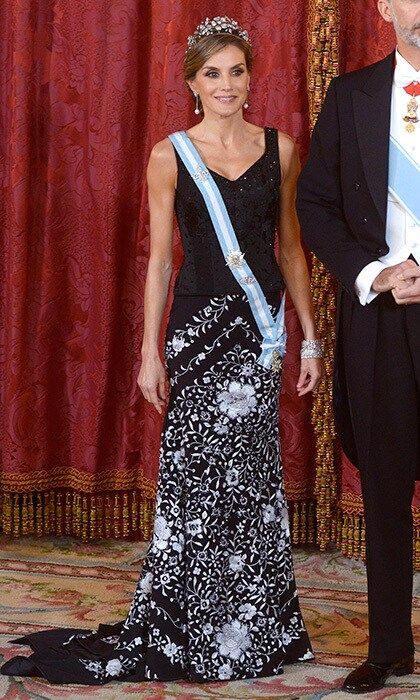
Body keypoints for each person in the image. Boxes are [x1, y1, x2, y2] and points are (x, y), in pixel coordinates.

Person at [1, 16, 323, 685]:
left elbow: (291, 249)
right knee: (196, 482)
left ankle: (256, 627)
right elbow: (157, 263)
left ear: (249, 76)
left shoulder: (283, 150)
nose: (227, 84)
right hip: (197, 335)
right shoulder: (169, 154)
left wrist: (311, 340)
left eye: (237, 71)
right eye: (214, 73)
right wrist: (149, 352)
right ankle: (194, 624)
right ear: (193, 83)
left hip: (257, 335)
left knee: (252, 483)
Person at [296, 0, 419, 694]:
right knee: (384, 484)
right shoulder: (350, 97)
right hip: (378, 315)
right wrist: (375, 273)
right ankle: (389, 646)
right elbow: (315, 204)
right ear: (383, 8)